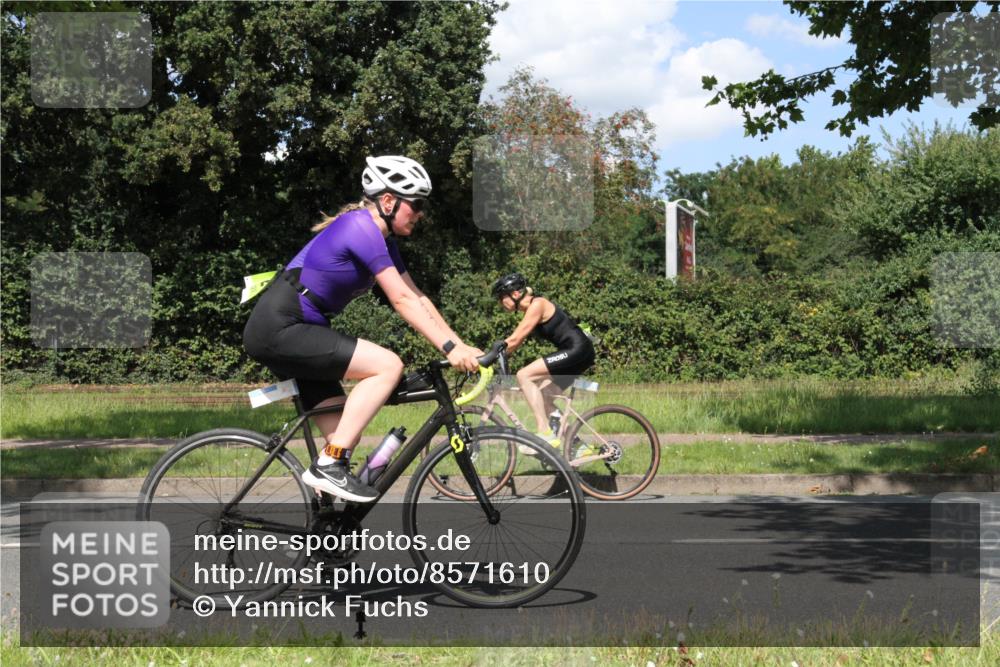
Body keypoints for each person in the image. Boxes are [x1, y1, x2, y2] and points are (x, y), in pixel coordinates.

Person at [244, 155, 481, 503]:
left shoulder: (383, 240)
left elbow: (417, 297)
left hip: (303, 326)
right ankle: (328, 466)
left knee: (342, 436)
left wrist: (460, 345)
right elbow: (400, 300)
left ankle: (327, 538)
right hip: (281, 326)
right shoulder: (360, 227)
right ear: (388, 201)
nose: (420, 213)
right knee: (388, 365)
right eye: (416, 204)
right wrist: (449, 349)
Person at [491, 272, 595, 448]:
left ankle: (544, 432)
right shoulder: (531, 307)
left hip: (577, 348)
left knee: (524, 375)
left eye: (502, 297)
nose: (501, 302)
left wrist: (487, 358)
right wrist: (498, 357)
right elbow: (513, 345)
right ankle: (578, 447)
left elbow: (515, 340)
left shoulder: (537, 304)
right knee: (544, 397)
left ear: (515, 294)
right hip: (578, 352)